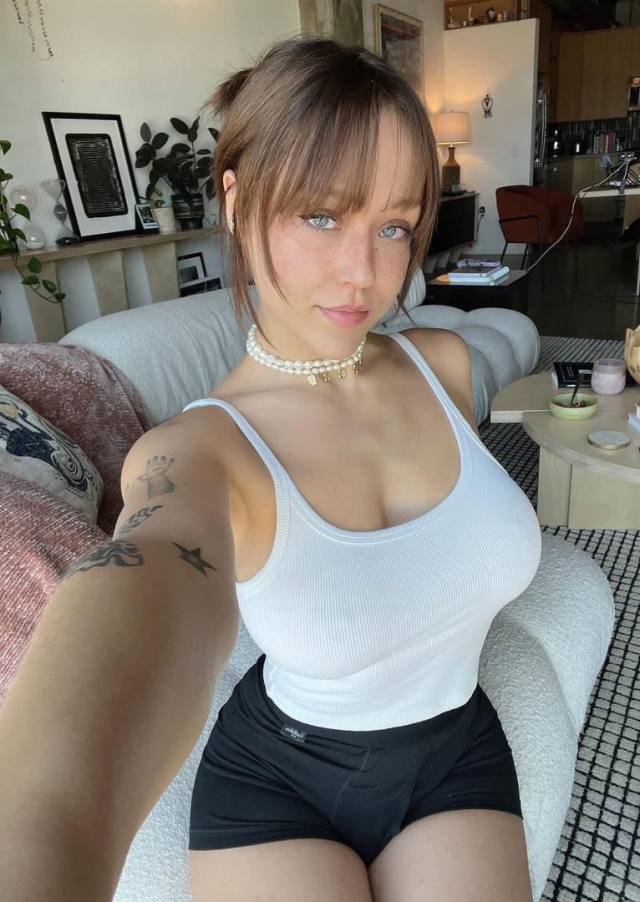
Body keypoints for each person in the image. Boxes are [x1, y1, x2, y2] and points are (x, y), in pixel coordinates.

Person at [0, 34, 541, 902]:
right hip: (276, 787)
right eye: (321, 216)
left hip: (457, 751)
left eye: (393, 226)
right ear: (238, 199)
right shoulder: (193, 452)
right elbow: (142, 587)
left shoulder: (442, 365)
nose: (362, 272)